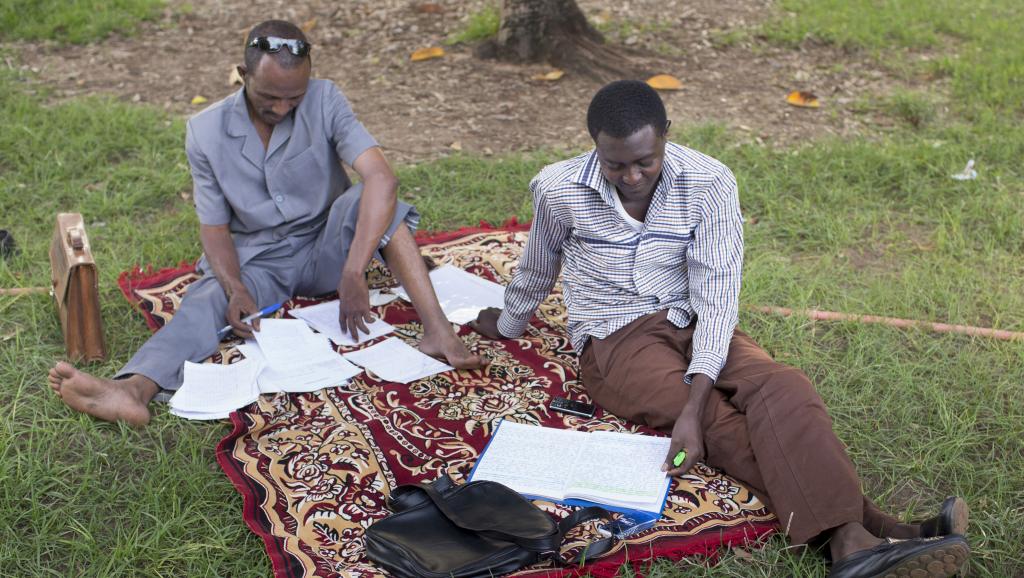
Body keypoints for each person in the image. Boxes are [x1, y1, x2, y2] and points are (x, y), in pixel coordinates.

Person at [469, 80, 969, 577]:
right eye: (615, 164)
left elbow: (718, 290)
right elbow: (538, 267)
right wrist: (508, 323)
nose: (631, 176)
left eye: (645, 160)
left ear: (666, 134)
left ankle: (859, 544)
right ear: (594, 144)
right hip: (615, 337)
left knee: (783, 386)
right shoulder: (558, 188)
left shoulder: (709, 182)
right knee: (718, 421)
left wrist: (693, 399)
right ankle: (870, 534)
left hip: (697, 317)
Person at [49, 20, 486, 427]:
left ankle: (438, 332)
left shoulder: (325, 99)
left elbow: (381, 178)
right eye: (269, 97)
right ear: (243, 75)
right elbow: (214, 227)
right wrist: (235, 286)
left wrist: (355, 270)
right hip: (262, 260)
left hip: (329, 247)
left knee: (379, 201)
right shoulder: (205, 131)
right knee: (207, 297)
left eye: (293, 99)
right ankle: (133, 389)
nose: (281, 108)